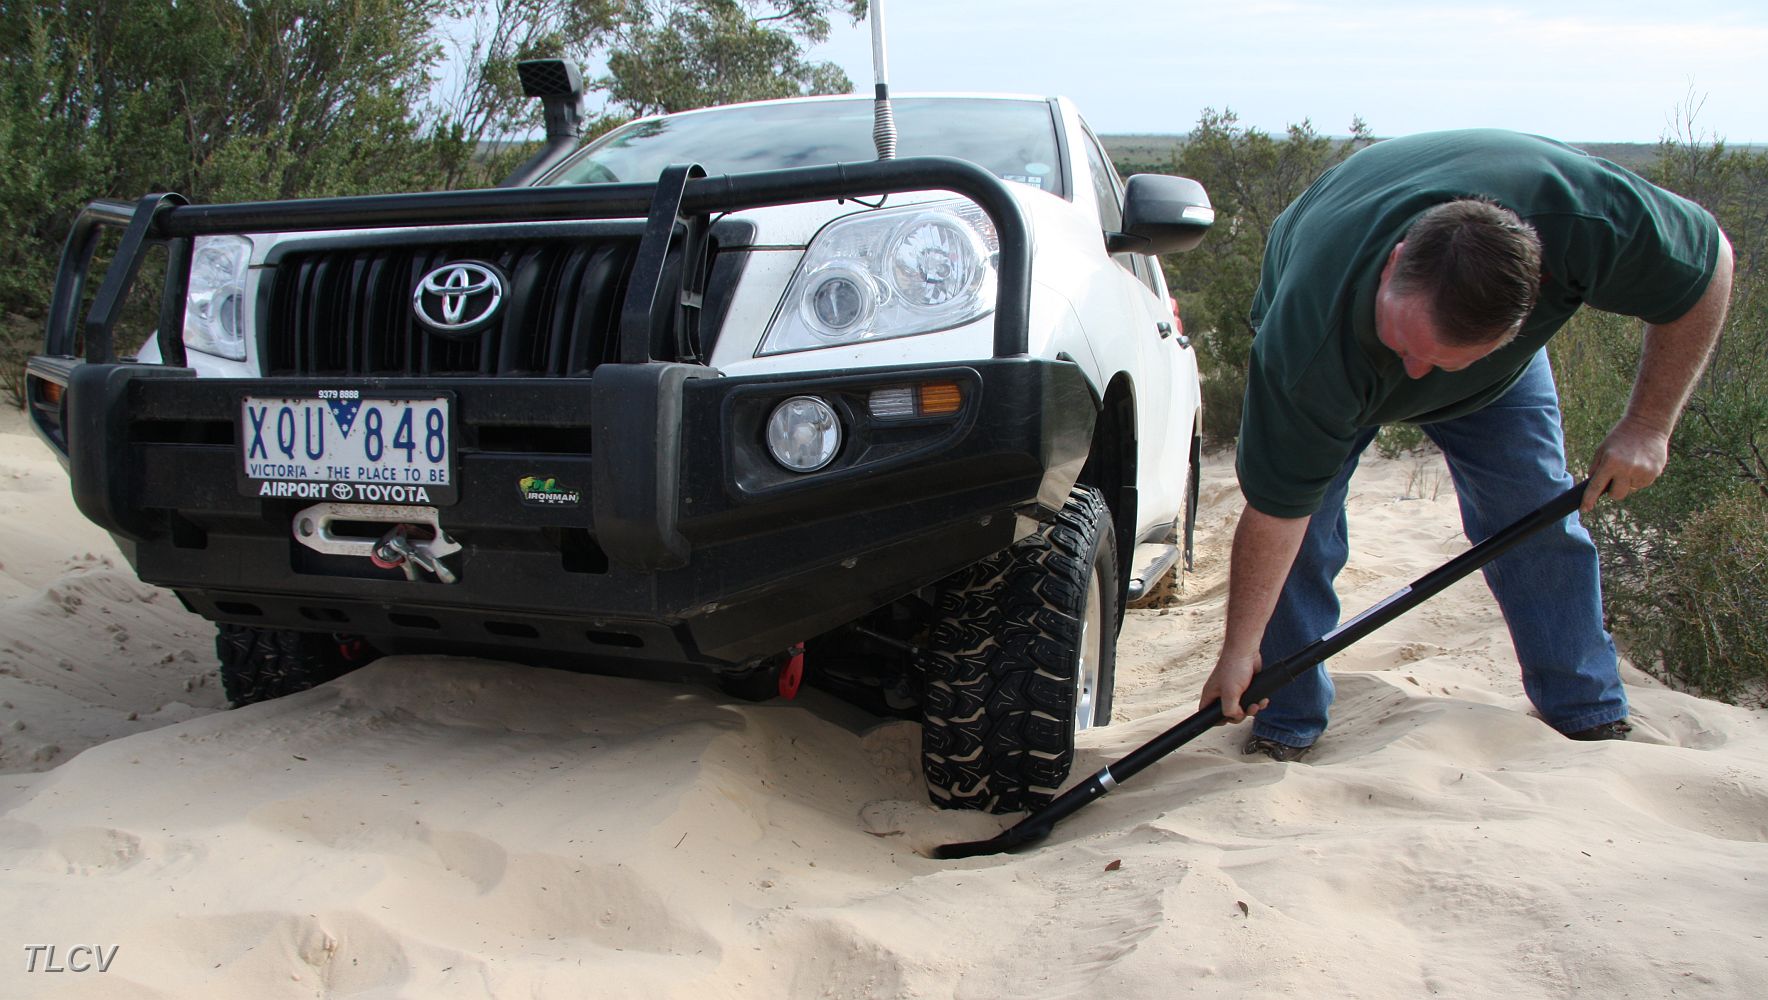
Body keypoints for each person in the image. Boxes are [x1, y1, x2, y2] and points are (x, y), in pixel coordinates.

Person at [1197, 129, 1733, 761]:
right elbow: (1278, 513)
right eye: (1404, 346)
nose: (1413, 377)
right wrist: (1238, 652)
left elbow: (1709, 266)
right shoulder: (1307, 344)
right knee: (1306, 530)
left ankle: (1586, 711)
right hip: (1334, 338)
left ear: (1527, 313)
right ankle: (1286, 719)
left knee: (1533, 512)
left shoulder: (1587, 219)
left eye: (1443, 361)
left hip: (1493, 379)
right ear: (1394, 264)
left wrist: (1647, 425)